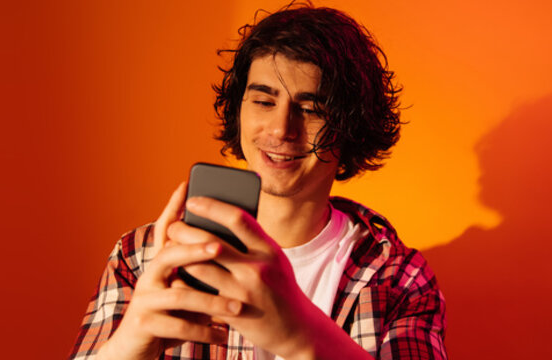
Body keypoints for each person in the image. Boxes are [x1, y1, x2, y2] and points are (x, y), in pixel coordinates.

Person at [69, 3, 446, 360]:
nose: (282, 129)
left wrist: (301, 336)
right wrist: (129, 344)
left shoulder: (398, 277)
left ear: (352, 127)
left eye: (312, 109)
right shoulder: (143, 257)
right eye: (264, 102)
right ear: (239, 111)